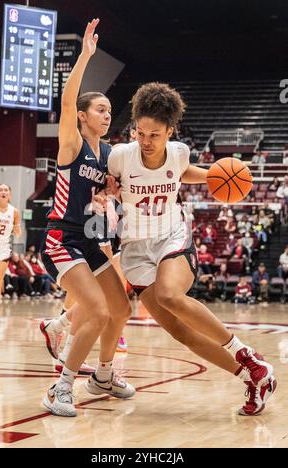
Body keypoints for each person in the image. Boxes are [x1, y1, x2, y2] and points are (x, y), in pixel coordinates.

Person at [105, 81, 276, 416]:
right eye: (140, 132)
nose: (146, 141)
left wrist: (221, 176)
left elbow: (182, 173)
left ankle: (246, 354)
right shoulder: (121, 157)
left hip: (172, 235)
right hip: (136, 249)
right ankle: (254, 377)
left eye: (154, 134)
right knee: (180, 332)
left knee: (170, 295)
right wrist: (106, 192)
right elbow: (104, 188)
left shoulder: (179, 152)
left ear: (171, 130)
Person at [39, 19, 134, 417]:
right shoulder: (72, 144)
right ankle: (60, 388)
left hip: (89, 238)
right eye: (100, 109)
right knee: (96, 311)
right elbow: (65, 102)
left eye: (110, 110)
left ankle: (105, 374)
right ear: (82, 116)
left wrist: (107, 196)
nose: (107, 114)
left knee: (122, 309)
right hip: (62, 239)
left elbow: (99, 197)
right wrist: (85, 57)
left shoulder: (108, 153)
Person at [0, 184, 21, 326]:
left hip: (2, 249)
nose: (3, 192)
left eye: (6, 190)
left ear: (10, 195)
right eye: (0, 190)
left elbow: (18, 234)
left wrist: (17, 229)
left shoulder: (14, 212)